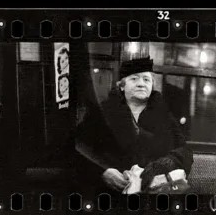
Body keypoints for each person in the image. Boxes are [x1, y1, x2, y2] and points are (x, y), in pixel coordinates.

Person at [74, 57, 193, 195]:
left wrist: (164, 164)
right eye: (134, 79)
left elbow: (184, 151)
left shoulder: (164, 115)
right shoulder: (102, 113)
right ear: (122, 86)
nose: (141, 84)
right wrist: (103, 172)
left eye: (146, 79)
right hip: (109, 193)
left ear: (152, 86)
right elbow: (78, 147)